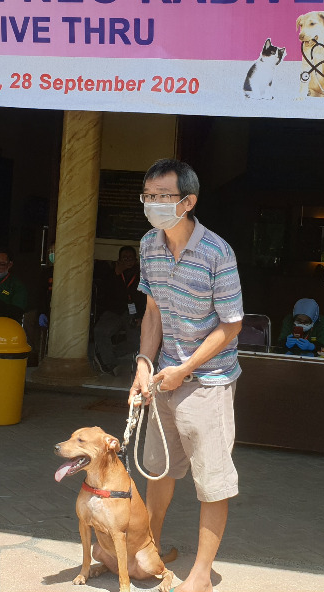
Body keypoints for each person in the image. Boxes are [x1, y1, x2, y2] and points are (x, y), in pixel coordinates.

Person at [130, 159, 243, 592]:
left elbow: (231, 325)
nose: (152, 205)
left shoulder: (217, 251)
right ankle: (150, 549)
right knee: (158, 472)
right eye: (148, 197)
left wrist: (186, 369)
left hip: (208, 383)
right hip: (164, 380)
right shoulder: (148, 245)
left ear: (188, 201)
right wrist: (144, 363)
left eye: (162, 197)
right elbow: (153, 312)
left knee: (211, 481)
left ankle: (200, 575)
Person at [93, 245, 144, 374]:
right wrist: (116, 274)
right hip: (114, 311)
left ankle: (105, 356)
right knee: (100, 331)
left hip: (133, 313)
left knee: (137, 342)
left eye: (130, 258)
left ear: (136, 260)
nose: (127, 260)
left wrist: (142, 317)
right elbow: (105, 294)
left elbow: (145, 298)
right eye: (124, 258)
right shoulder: (111, 274)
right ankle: (109, 362)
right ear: (119, 259)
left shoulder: (142, 275)